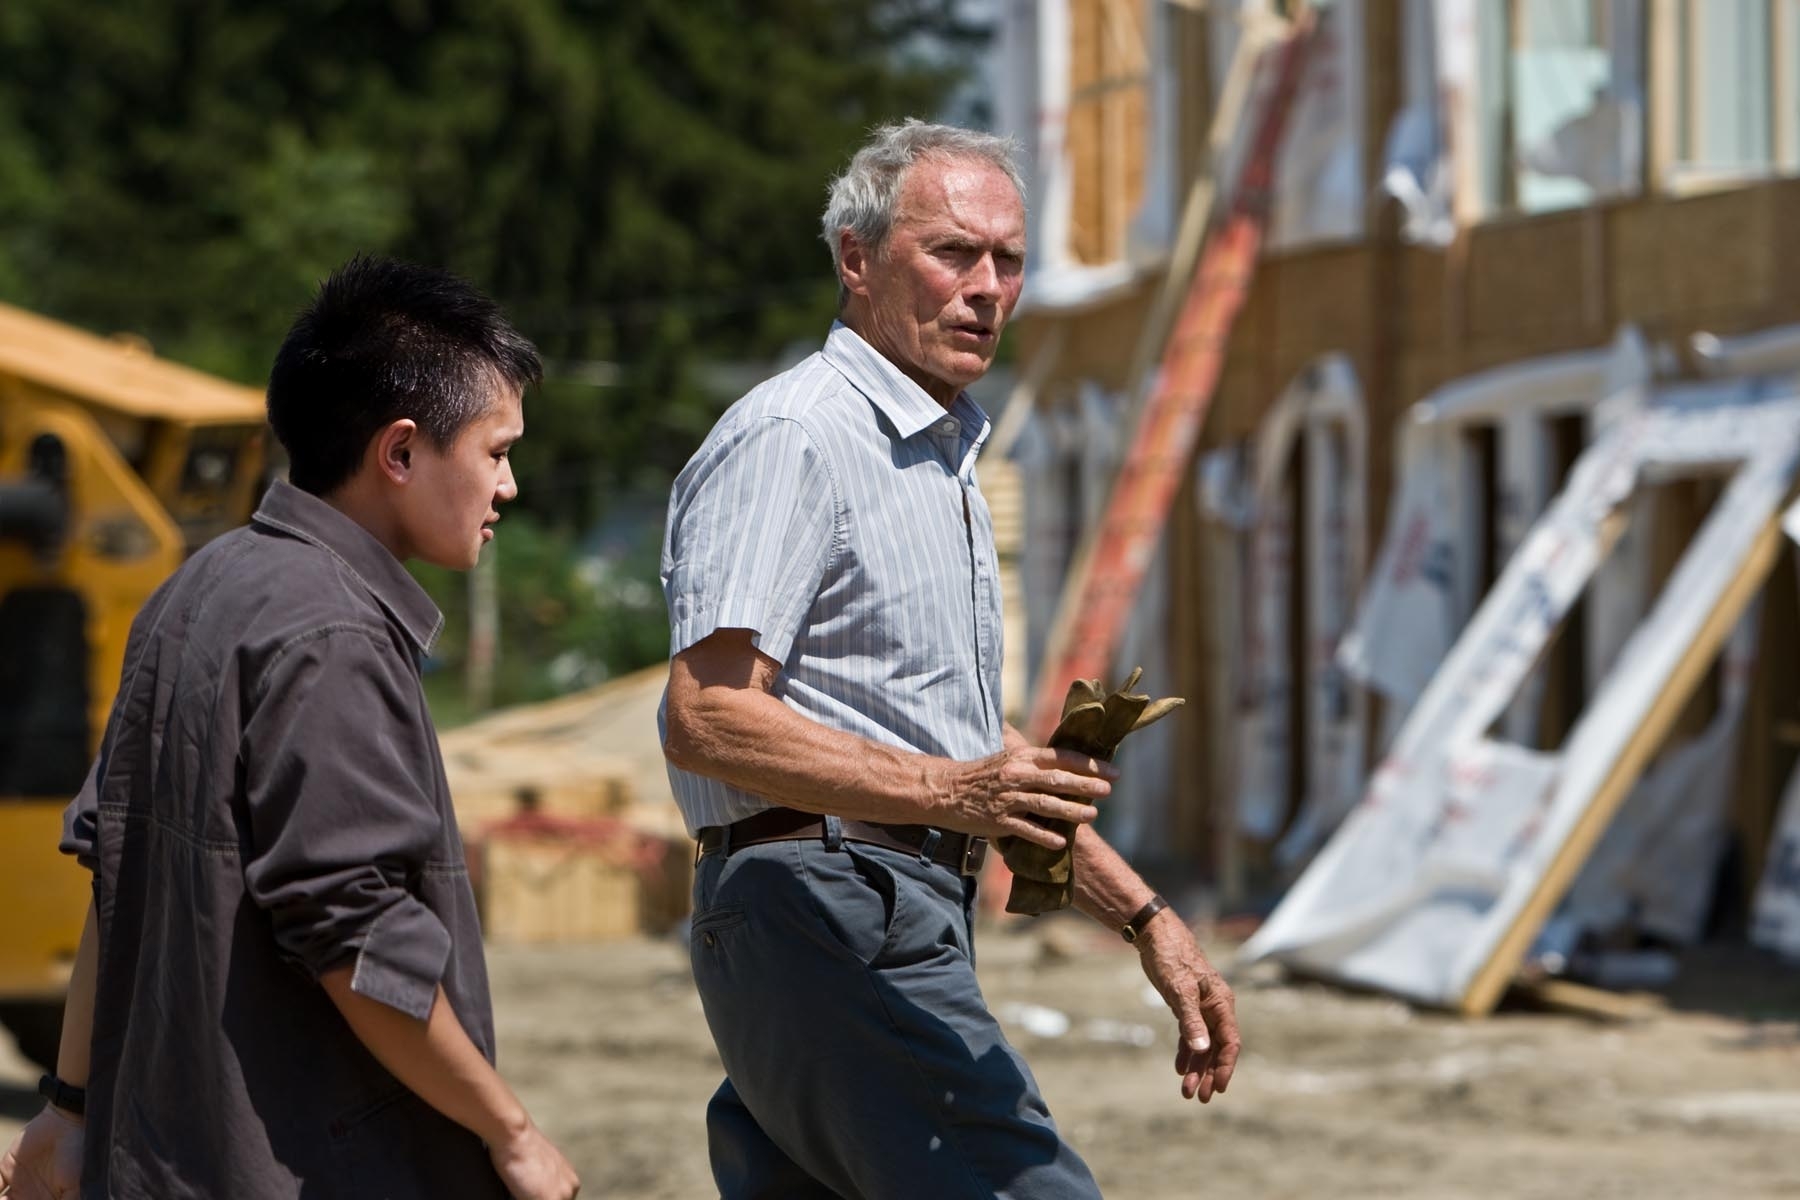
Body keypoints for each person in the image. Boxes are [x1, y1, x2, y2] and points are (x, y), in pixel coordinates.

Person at [660, 120, 1241, 1200]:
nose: (986, 288)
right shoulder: (799, 436)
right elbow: (708, 718)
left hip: (873, 904)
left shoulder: (939, 457)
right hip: (830, 902)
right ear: (856, 260)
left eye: (1007, 260)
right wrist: (953, 788)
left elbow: (958, 750)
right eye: (952, 253)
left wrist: (1147, 921)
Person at [0, 257, 580, 1200]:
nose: (508, 487)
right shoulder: (332, 634)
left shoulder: (198, 585)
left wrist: (68, 1112)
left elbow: (112, 879)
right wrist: (510, 1131)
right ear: (399, 453)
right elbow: (355, 939)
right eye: (497, 450)